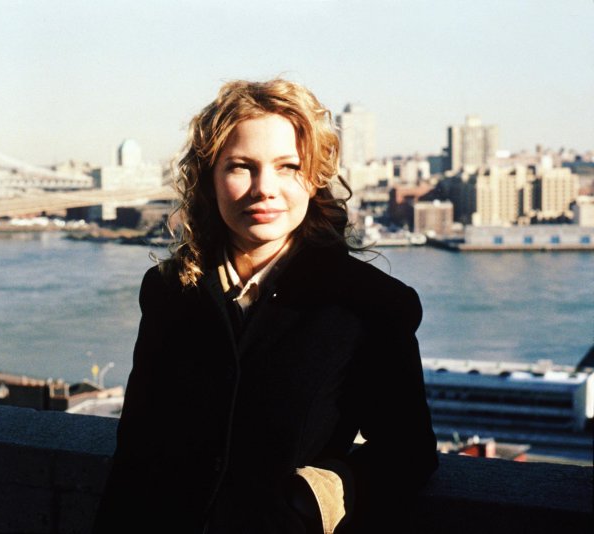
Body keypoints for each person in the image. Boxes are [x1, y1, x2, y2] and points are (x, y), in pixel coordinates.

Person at [93, 79, 438, 534]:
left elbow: (409, 453)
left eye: (288, 167)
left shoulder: (369, 305)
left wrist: (316, 496)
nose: (264, 189)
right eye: (241, 167)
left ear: (314, 179)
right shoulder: (168, 292)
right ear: (209, 178)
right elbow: (136, 447)